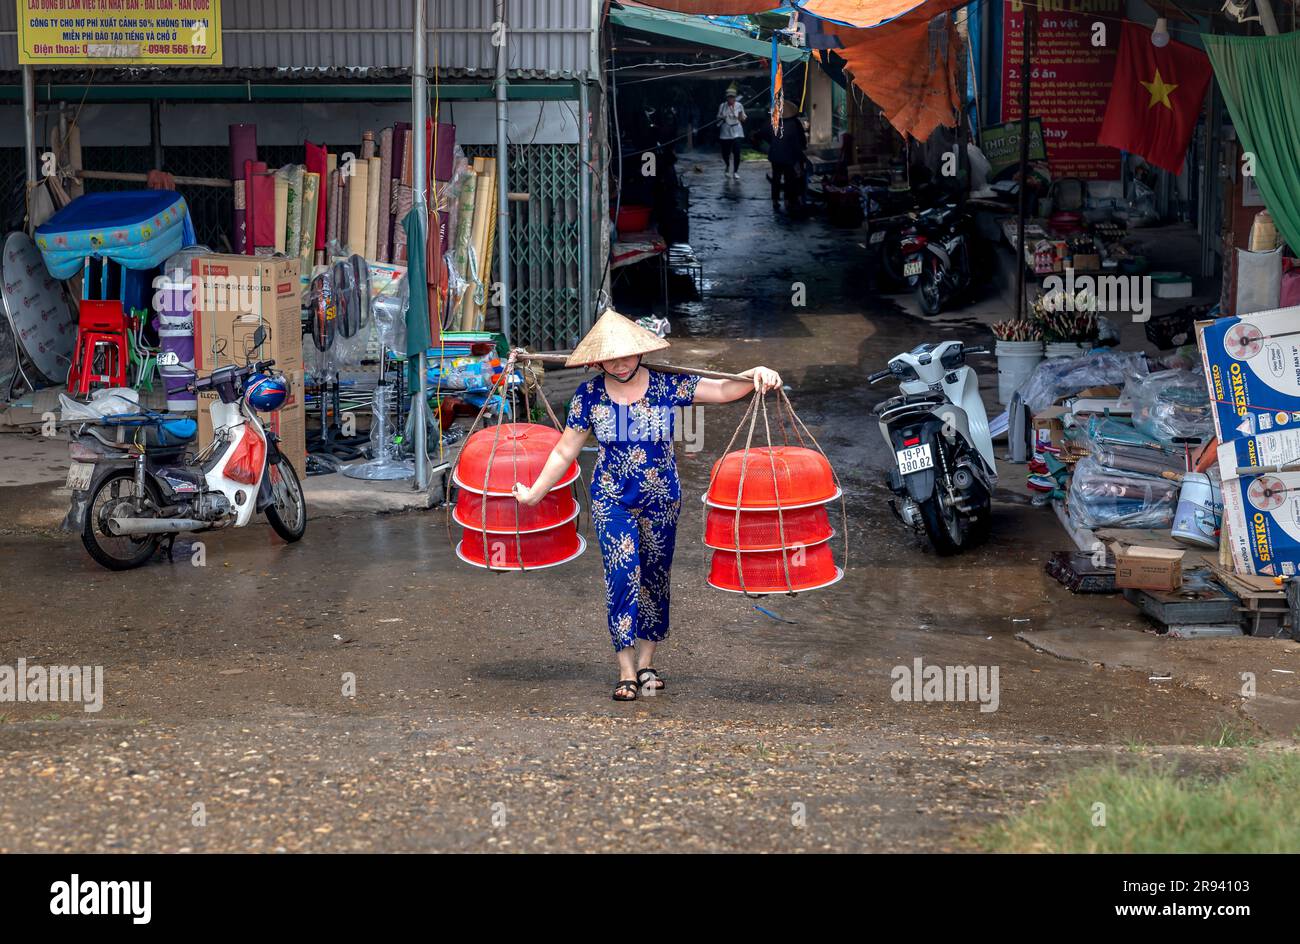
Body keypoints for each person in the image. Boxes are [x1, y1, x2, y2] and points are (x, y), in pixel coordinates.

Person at [512, 310, 782, 702]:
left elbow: (723, 391)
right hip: (611, 499)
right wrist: (536, 491)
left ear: (640, 352)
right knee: (622, 576)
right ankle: (625, 669)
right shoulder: (589, 395)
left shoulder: (668, 385)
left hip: (662, 501)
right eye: (610, 357)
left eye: (626, 355)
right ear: (597, 360)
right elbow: (565, 450)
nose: (619, 363)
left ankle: (646, 662)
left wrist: (756, 371)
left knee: (655, 577)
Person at [766, 100, 807, 212]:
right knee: (789, 179)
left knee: (776, 178)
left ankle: (775, 200)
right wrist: (801, 155)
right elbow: (800, 142)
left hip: (775, 156)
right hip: (789, 157)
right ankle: (787, 201)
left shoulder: (772, 123)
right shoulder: (794, 124)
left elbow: (765, 135)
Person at [716, 88, 746, 180]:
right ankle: (727, 165)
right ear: (727, 97)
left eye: (732, 97)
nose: (731, 99)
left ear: (735, 98)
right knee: (725, 153)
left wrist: (740, 115)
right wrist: (723, 117)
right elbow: (718, 117)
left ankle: (735, 171)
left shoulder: (739, 105)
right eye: (729, 97)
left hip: (737, 131)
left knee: (737, 152)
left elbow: (743, 119)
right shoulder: (723, 106)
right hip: (725, 132)